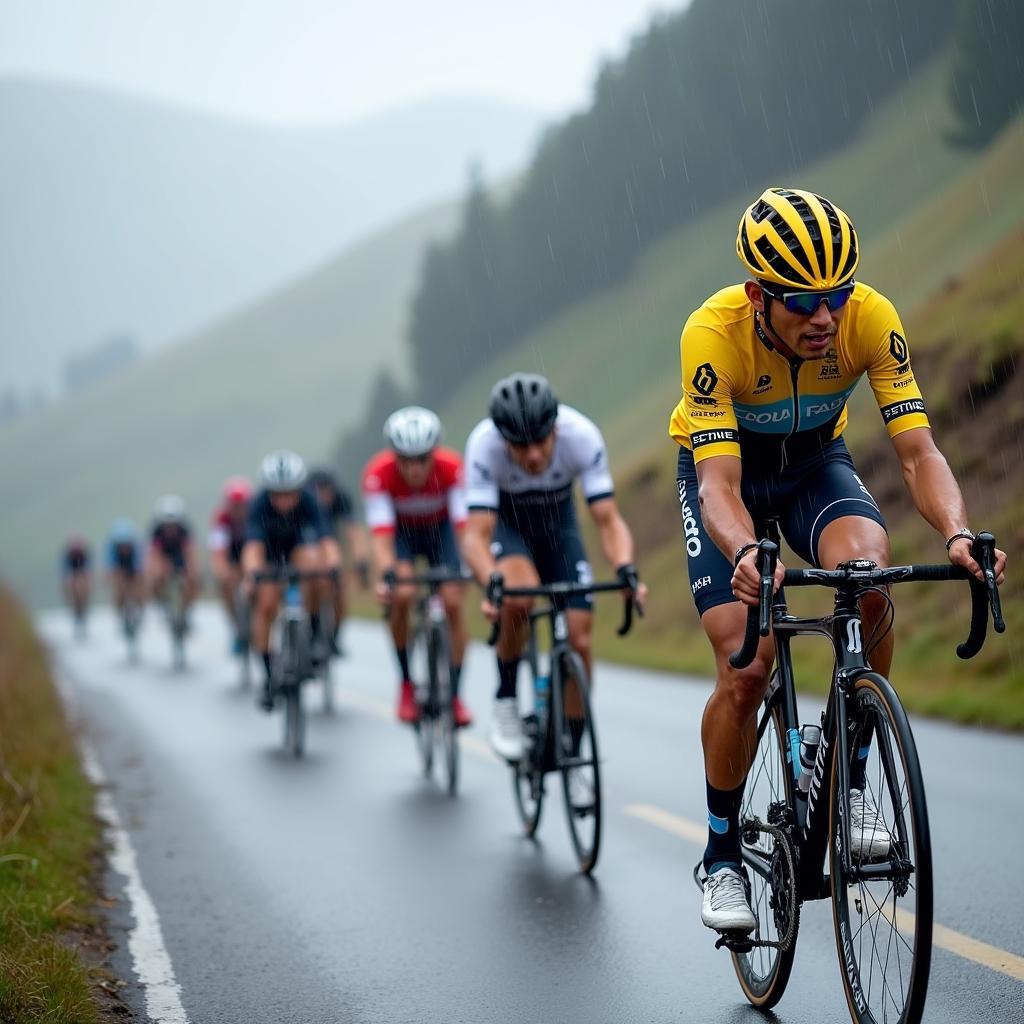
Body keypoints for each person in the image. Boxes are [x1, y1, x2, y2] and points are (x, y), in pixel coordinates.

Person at [669, 187, 1007, 934]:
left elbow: (918, 452)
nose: (825, 317)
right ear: (758, 297)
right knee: (746, 663)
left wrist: (956, 531)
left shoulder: (871, 319)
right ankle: (723, 855)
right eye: (803, 301)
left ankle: (849, 778)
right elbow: (720, 485)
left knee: (871, 575)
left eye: (837, 295)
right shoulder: (713, 334)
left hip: (814, 461)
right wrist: (744, 550)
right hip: (724, 475)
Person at [460, 373, 646, 805]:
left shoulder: (582, 436)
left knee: (579, 637)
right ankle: (506, 699)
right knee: (519, 595)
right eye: (520, 446)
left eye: (541, 441)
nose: (533, 454)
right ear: (503, 440)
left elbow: (607, 519)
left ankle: (574, 756)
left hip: (559, 529)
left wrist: (625, 568)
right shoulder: (484, 445)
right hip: (510, 529)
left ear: (555, 429)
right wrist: (491, 582)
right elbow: (475, 535)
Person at [361, 407, 472, 727]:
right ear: (393, 456)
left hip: (442, 535)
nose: (413, 469)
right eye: (405, 460)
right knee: (404, 594)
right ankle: (407, 683)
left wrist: (467, 567)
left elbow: (463, 528)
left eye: (422, 459)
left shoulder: (452, 468)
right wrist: (389, 575)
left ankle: (454, 695)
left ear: (433, 454)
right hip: (403, 537)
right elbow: (381, 540)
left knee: (452, 602)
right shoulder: (378, 474)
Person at [242, 451, 340, 711]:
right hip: (271, 553)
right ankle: (268, 674)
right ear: (268, 492)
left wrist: (332, 565)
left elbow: (326, 541)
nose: (284, 501)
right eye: (277, 494)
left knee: (316, 570)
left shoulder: (310, 501)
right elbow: (252, 548)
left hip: (299, 548)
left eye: (290, 493)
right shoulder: (259, 504)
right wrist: (252, 573)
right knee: (265, 604)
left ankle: (317, 632)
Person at [309, 466, 371, 653]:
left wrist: (361, 558)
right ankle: (312, 632)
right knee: (312, 582)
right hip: (309, 544)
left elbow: (353, 531)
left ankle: (334, 636)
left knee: (339, 590)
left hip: (332, 544)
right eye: (318, 489)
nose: (323, 495)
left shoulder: (341, 499)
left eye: (326, 489)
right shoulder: (304, 502)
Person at [208, 477, 253, 653]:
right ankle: (235, 625)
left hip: (251, 554)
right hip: (232, 556)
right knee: (225, 584)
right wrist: (222, 571)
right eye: (234, 504)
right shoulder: (222, 519)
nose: (238, 509)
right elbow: (218, 550)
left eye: (242, 504)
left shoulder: (254, 515)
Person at [146, 495, 201, 612]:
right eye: (167, 525)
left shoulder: (185, 531)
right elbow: (154, 555)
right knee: (155, 577)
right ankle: (161, 601)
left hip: (180, 556)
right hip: (164, 556)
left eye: (173, 524)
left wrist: (192, 571)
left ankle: (187, 606)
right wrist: (156, 573)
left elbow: (191, 553)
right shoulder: (157, 532)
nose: (170, 528)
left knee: (193, 579)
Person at [106, 518, 144, 619]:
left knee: (138, 590)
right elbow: (108, 573)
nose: (124, 548)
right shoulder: (111, 552)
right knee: (119, 590)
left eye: (126, 544)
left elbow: (141, 571)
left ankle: (139, 612)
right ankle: (120, 614)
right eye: (121, 545)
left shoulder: (137, 551)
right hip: (120, 574)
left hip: (133, 572)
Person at [61, 533, 92, 636]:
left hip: (82, 573)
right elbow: (65, 572)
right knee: (70, 586)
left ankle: (83, 608)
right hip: (72, 574)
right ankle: (74, 608)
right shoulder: (67, 556)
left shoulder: (85, 554)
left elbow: (88, 571)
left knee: (84, 587)